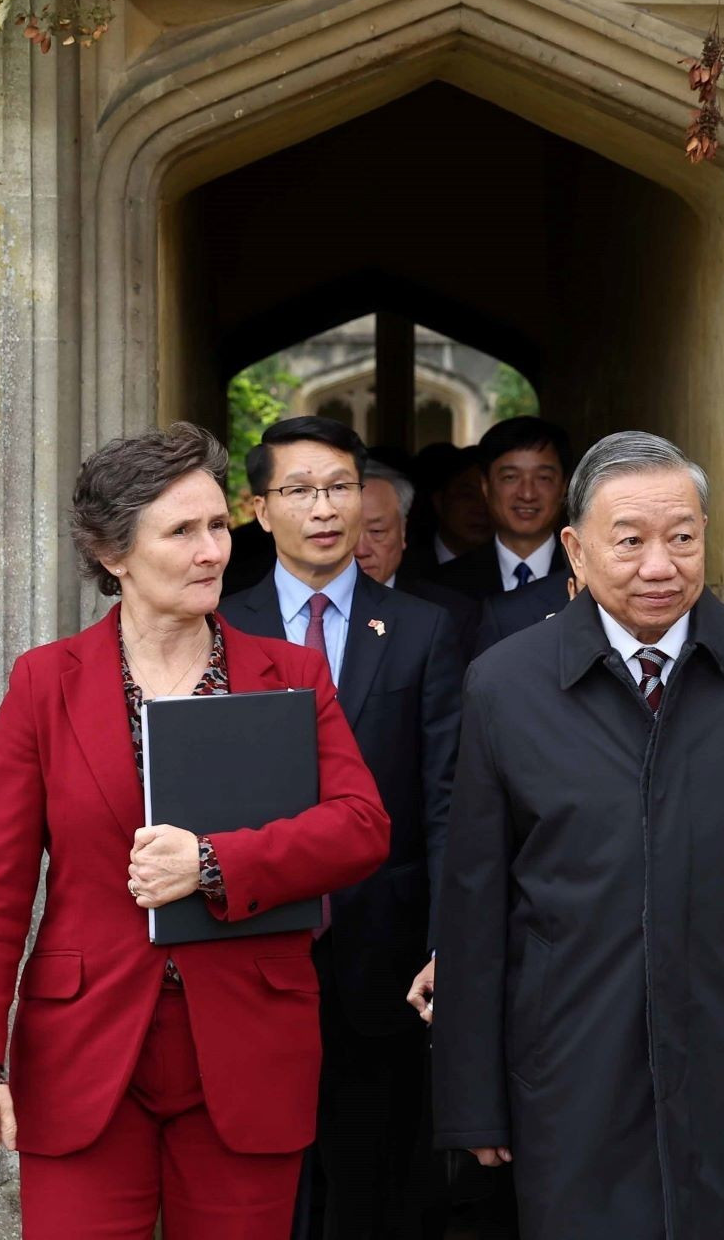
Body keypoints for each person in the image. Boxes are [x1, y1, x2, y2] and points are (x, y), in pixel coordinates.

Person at [0, 422, 391, 1240]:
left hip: (248, 1046)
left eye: (218, 525)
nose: (212, 550)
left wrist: (216, 861)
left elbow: (361, 827)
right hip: (83, 1047)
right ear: (113, 553)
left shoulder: (288, 673)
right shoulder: (45, 683)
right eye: (182, 531)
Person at [432, 431, 724, 1240]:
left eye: (681, 537)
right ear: (576, 548)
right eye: (630, 541)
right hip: (570, 1067)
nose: (659, 565)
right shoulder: (506, 684)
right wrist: (472, 1098)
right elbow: (475, 903)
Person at [218, 418, 464, 1240]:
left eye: (340, 488)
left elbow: (445, 799)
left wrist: (445, 940)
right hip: (253, 944)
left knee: (375, 1182)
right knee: (263, 1180)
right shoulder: (222, 623)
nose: (323, 508)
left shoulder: (424, 628)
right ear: (260, 509)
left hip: (385, 952)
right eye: (299, 490)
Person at [431, 418, 575, 601]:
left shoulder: (590, 577)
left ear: (564, 486)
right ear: (485, 486)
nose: (527, 494)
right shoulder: (443, 587)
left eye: (543, 478)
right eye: (510, 477)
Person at [356, 458, 480, 649]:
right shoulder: (311, 611)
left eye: (377, 531)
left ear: (403, 531)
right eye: (345, 532)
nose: (361, 550)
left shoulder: (451, 615)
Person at [402, 443, 492, 579]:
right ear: (439, 501)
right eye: (467, 495)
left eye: (490, 497)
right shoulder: (403, 564)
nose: (481, 509)